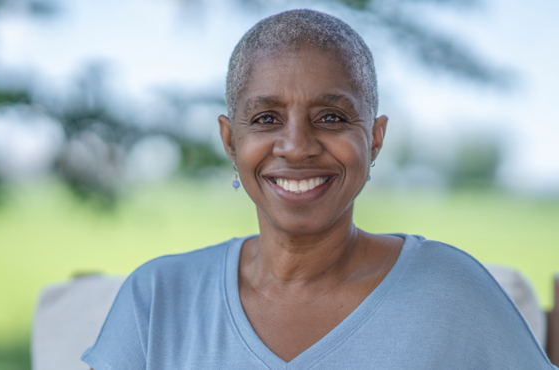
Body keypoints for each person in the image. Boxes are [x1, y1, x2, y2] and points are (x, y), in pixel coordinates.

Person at [82, 9, 557, 370]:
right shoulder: (158, 299)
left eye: (331, 117)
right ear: (231, 140)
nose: (296, 146)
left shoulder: (453, 294)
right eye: (266, 119)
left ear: (374, 139)